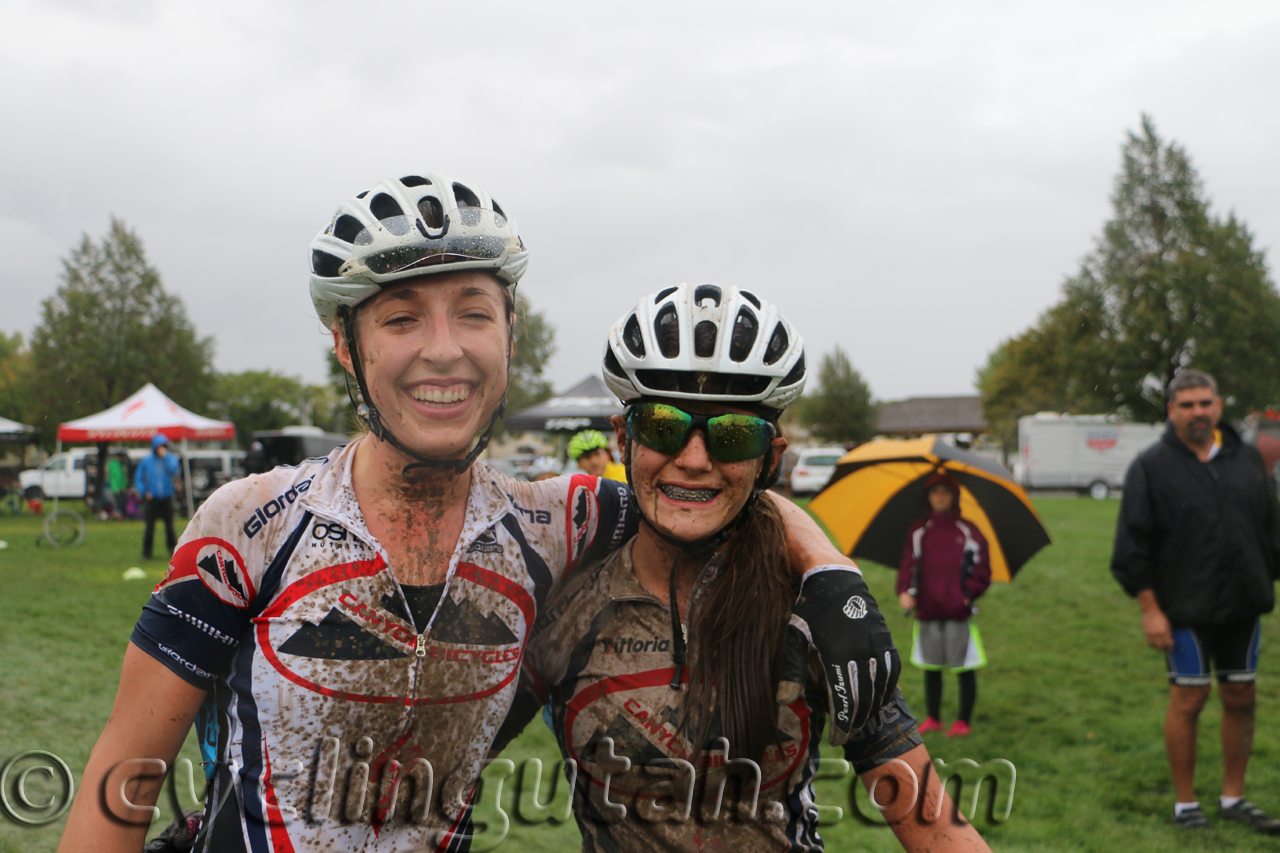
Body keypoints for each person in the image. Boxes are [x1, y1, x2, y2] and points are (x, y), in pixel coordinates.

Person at [57, 175, 882, 853]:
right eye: (402, 316)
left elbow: (708, 485)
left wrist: (834, 577)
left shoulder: (559, 523)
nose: (444, 348)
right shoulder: (252, 522)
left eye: (474, 312)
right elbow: (118, 782)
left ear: (511, 334)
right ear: (349, 346)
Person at [501, 284, 990, 851]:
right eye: (661, 424)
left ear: (771, 459)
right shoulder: (566, 602)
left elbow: (934, 824)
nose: (694, 458)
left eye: (733, 435)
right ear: (622, 439)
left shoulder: (811, 610)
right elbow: (438, 775)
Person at [1111, 369, 1280, 833]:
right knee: (1190, 698)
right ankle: (1186, 804)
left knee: (1241, 695)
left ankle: (1233, 797)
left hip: (1242, 604)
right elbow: (1131, 547)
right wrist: (1150, 609)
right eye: (1187, 405)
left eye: (1205, 403)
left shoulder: (1246, 460)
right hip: (1181, 610)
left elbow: (1271, 529)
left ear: (1218, 406)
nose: (1198, 412)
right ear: (1172, 412)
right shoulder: (1151, 466)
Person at [896, 470, 991, 738]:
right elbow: (907, 564)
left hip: (957, 612)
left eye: (945, 491)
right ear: (927, 497)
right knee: (931, 666)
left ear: (954, 496)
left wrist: (968, 594)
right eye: (934, 491)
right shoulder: (918, 531)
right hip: (927, 610)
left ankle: (963, 720)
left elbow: (983, 568)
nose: (940, 496)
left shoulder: (968, 530)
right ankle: (934, 718)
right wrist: (904, 590)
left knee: (963, 666)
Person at [135, 433, 180, 559]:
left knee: (169, 527)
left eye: (163, 446)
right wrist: (144, 492)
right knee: (149, 527)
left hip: (167, 497)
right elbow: (139, 478)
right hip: (152, 498)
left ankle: (173, 552)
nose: (161, 448)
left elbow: (175, 471)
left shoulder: (170, 458)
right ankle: (146, 553)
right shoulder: (147, 461)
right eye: (159, 446)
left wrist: (165, 458)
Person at [108, 451, 129, 518]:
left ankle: (118, 515)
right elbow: (119, 477)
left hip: (114, 487)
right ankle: (119, 516)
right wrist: (123, 486)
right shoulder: (117, 465)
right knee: (119, 503)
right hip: (118, 487)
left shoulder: (111, 464)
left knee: (117, 502)